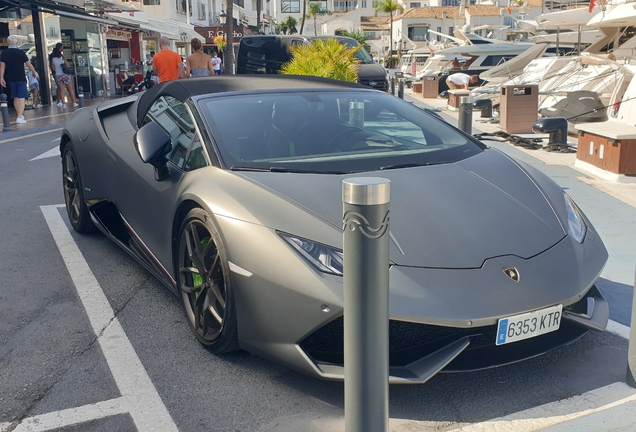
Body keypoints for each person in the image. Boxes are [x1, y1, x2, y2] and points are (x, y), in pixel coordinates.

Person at [0, 35, 39, 124]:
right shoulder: (21, 53)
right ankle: (19, 116)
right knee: (22, 97)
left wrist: (1, 77)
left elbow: (2, 66)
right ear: (16, 43)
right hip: (20, 77)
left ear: (8, 43)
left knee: (15, 97)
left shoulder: (4, 53)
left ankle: (19, 114)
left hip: (10, 77)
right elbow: (28, 64)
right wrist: (34, 72)